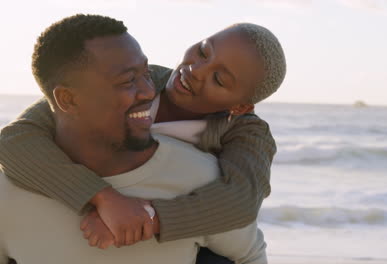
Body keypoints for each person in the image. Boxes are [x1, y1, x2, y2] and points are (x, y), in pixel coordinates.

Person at [0, 14, 286, 262]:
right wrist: (101, 197)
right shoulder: (142, 78)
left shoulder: (246, 132)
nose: (195, 70)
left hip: (191, 243)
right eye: (203, 51)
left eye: (219, 80)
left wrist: (147, 219)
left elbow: (240, 202)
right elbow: (14, 139)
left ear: (239, 107)